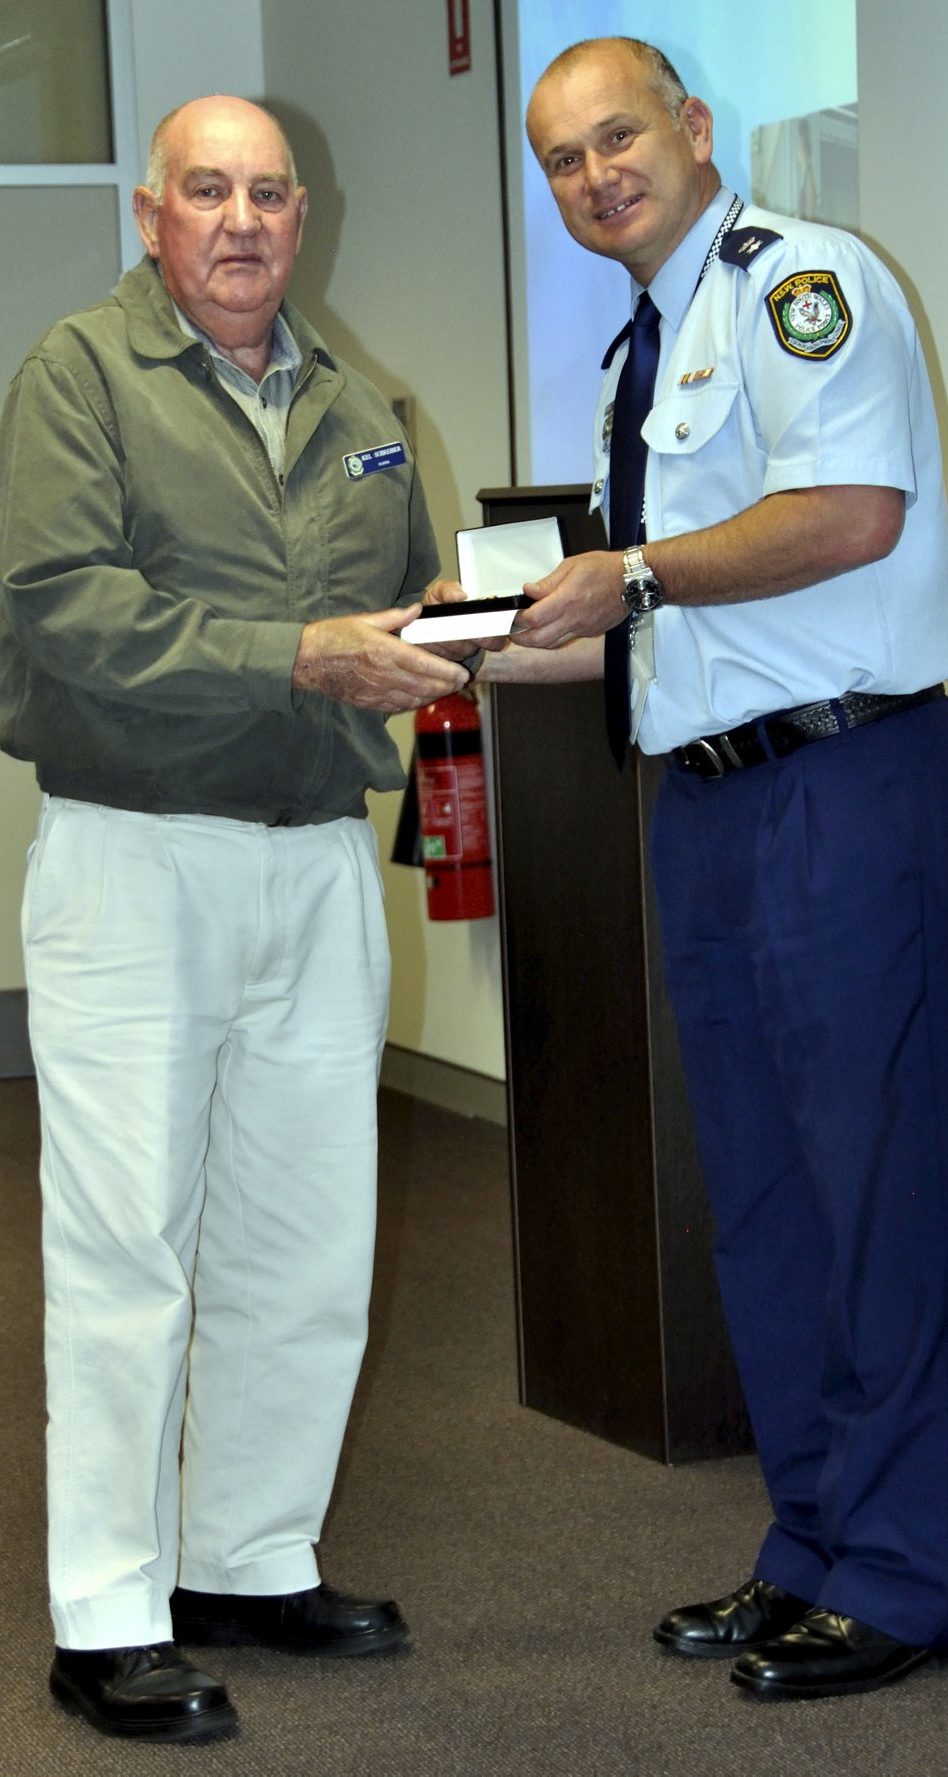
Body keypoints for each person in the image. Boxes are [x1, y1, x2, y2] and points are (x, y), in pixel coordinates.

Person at [484, 35, 948, 1700]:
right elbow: (644, 612)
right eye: (561, 160)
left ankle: (912, 1566)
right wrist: (453, 646)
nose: (595, 175)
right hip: (706, 803)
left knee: (877, 1189)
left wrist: (632, 573)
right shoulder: (654, 339)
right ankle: (813, 1542)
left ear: (695, 128)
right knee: (759, 1196)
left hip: (845, 790)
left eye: (619, 137)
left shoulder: (796, 284)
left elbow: (852, 514)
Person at [0, 95, 474, 1742]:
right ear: (151, 216)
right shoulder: (79, 376)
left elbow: (410, 606)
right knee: (129, 1247)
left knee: (301, 1239)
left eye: (269, 192)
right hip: (137, 856)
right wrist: (295, 656)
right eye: (208, 191)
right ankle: (110, 1608)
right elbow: (63, 613)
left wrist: (492, 627)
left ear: (300, 215)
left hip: (312, 861)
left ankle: (251, 1557)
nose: (243, 221)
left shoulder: (366, 405)